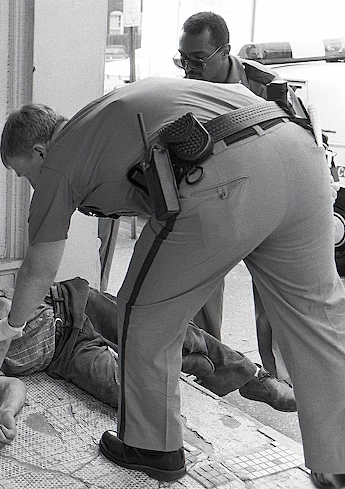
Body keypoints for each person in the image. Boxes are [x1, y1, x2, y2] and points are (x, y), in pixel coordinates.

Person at [0, 77, 345, 484]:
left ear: (39, 151)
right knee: (316, 317)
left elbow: (39, 268)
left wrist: (11, 327)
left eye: (23, 174)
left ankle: (152, 446)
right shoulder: (97, 120)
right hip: (299, 151)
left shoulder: (59, 159)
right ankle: (337, 462)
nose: (30, 185)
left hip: (226, 175)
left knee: (141, 315)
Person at [0, 277, 294, 450]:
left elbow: (4, 311)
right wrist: (4, 414)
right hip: (62, 355)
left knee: (159, 331)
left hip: (71, 305)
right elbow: (10, 387)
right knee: (127, 393)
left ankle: (252, 379)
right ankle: (192, 364)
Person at [175, 11, 300, 389]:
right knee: (200, 290)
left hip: (267, 201)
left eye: (198, 59)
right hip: (216, 201)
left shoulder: (268, 87)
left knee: (274, 296)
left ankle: (282, 381)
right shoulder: (185, 91)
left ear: (225, 51)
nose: (190, 68)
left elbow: (300, 146)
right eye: (183, 58)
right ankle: (208, 370)